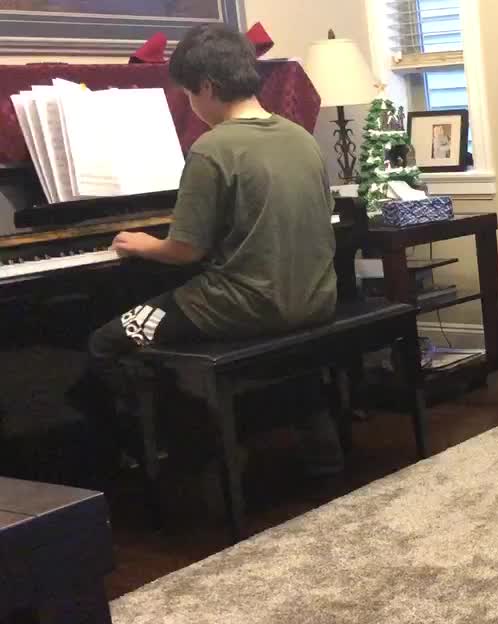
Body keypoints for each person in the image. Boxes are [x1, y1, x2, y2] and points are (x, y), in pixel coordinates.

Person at [86, 23, 343, 483]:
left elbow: (186, 251)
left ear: (207, 86)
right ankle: (319, 450)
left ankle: (174, 456)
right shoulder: (300, 137)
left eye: (188, 93)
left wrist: (143, 243)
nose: (191, 104)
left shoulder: (211, 149)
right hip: (314, 300)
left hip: (244, 306)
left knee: (106, 341)